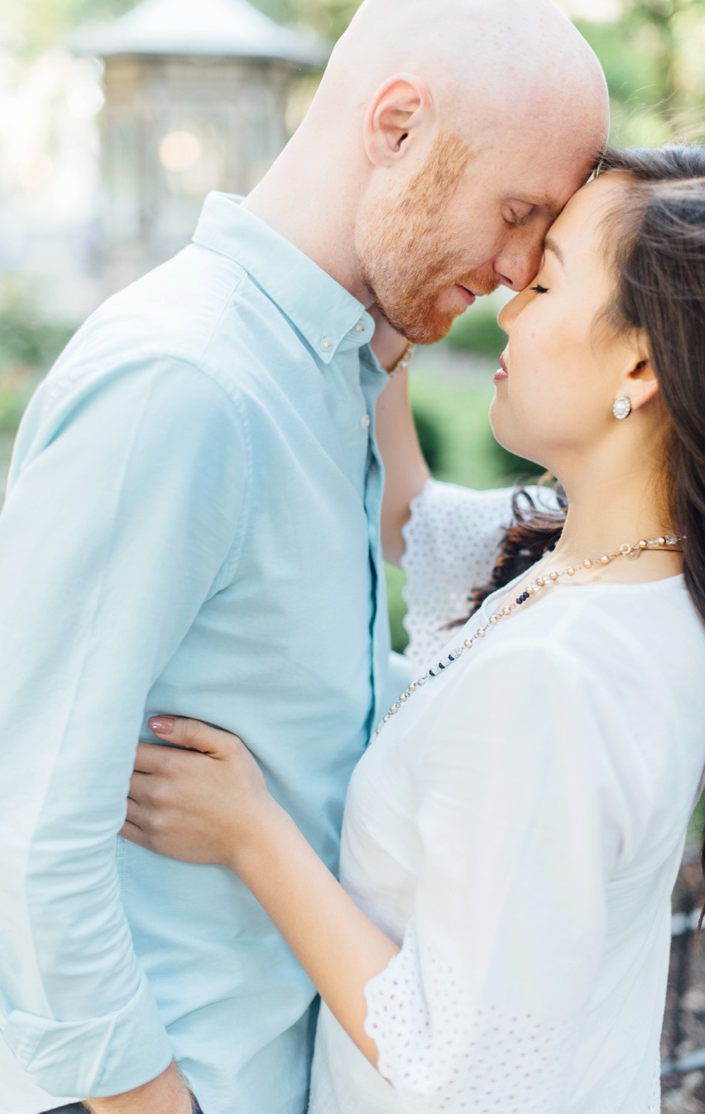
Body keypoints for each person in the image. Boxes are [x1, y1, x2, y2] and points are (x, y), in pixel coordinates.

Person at [0, 1, 611, 1111]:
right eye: (515, 214)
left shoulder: (330, 375)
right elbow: (22, 831)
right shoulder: (185, 385)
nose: (514, 271)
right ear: (396, 123)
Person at [122, 147, 705, 1112]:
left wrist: (252, 835)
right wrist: (397, 283)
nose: (509, 303)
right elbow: (412, 518)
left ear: (640, 362)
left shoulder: (559, 677)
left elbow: (463, 1064)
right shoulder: (609, 567)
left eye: (547, 279)